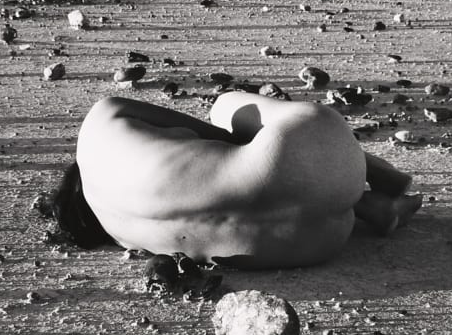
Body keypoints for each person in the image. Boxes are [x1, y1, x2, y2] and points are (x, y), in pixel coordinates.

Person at [40, 91, 423, 268]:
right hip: (314, 150)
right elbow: (217, 134)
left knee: (246, 195)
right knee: (223, 108)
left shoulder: (124, 235)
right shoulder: (99, 122)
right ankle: (380, 174)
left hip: (317, 243)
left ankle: (374, 208)